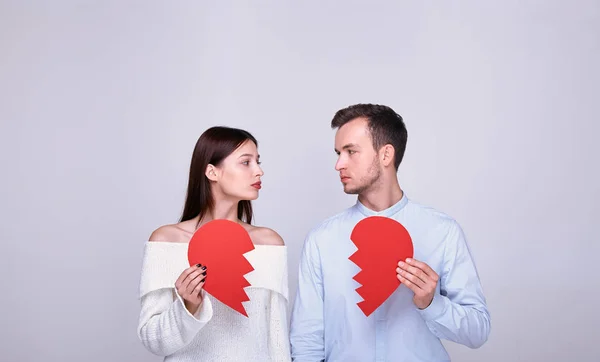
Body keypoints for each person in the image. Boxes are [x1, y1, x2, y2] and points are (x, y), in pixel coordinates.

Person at [289, 104, 490, 361]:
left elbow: (478, 332)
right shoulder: (322, 240)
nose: (339, 164)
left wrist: (431, 303)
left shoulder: (442, 231)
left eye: (351, 152)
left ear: (386, 155)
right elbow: (307, 339)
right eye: (339, 153)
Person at [137, 126, 291, 361]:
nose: (259, 171)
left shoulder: (269, 245)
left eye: (258, 162)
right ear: (212, 172)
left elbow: (277, 338)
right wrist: (187, 307)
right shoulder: (167, 241)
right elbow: (153, 341)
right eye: (246, 162)